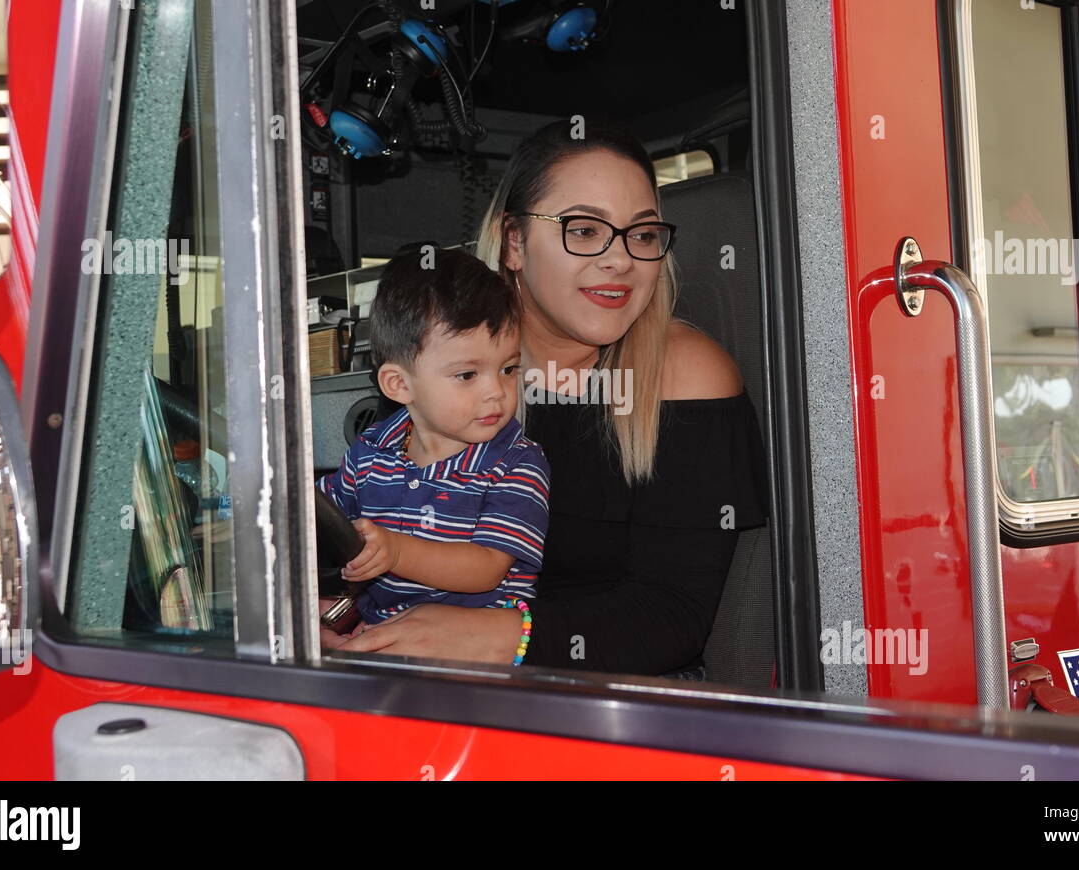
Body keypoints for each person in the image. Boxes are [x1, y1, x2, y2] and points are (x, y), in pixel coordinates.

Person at [331, 120, 767, 677]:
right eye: (584, 230)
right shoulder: (450, 360)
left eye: (643, 234)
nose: (620, 260)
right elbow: (380, 511)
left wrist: (490, 639)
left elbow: (672, 616)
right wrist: (335, 606)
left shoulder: (686, 376)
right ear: (514, 241)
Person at [317, 248, 550, 635]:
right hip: (385, 634)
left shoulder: (517, 463)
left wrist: (395, 551)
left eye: (509, 369)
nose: (497, 391)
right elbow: (325, 520)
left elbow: (486, 567)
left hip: (477, 651)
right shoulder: (370, 452)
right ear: (399, 384)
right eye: (467, 375)